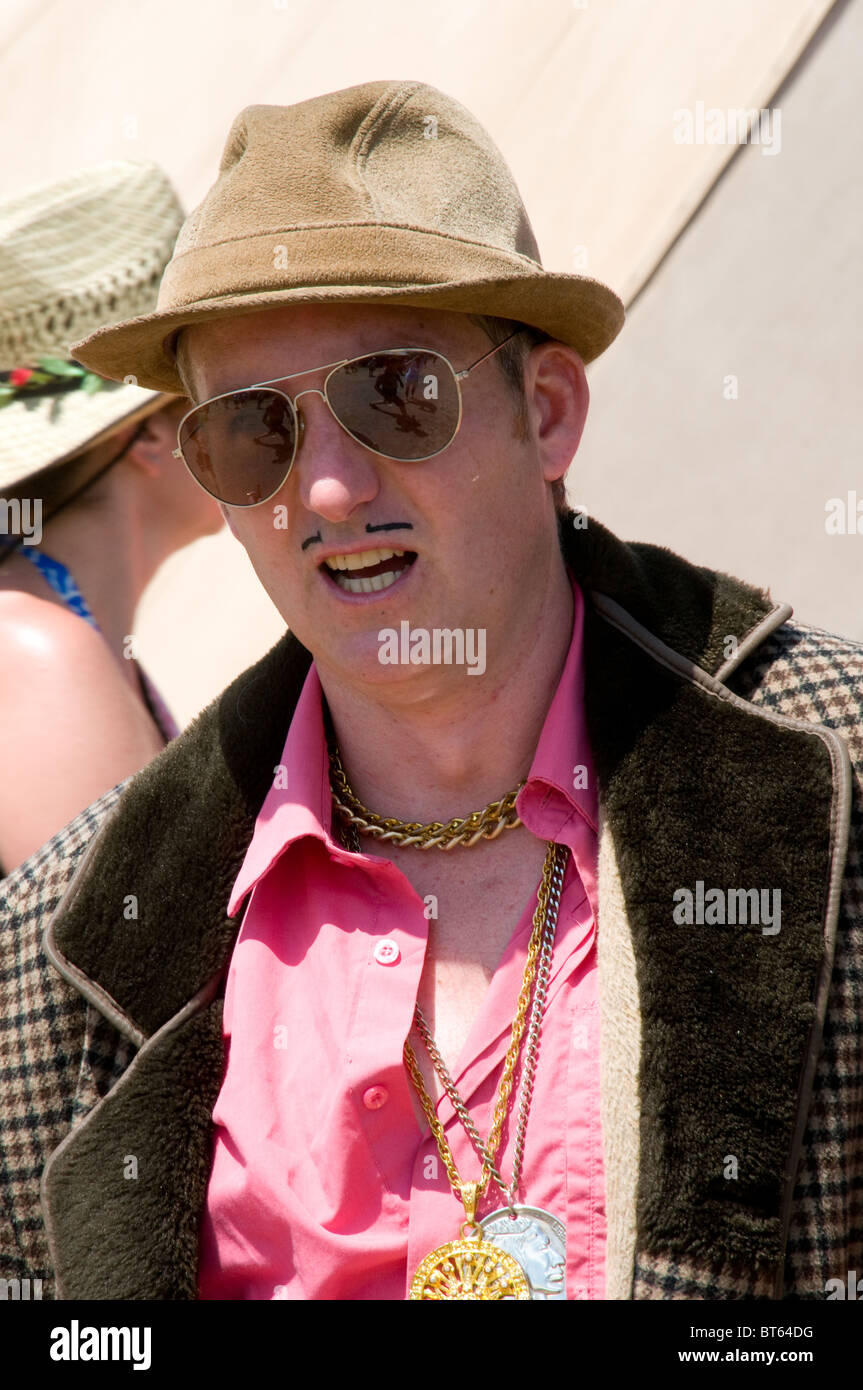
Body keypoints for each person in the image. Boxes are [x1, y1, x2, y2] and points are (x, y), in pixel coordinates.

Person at [0, 80, 860, 1302]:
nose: (333, 489)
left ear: (546, 412)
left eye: (395, 393)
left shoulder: (837, 783)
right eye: (253, 432)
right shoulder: (53, 949)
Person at [0, 161, 223, 875]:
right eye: (221, 389)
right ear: (154, 431)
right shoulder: (37, 656)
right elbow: (151, 979)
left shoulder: (58, 633)